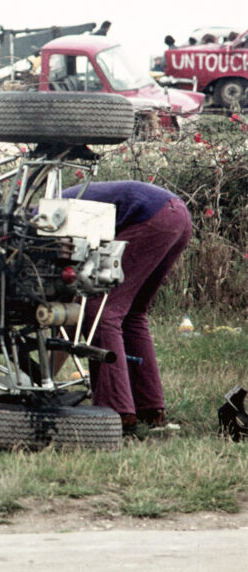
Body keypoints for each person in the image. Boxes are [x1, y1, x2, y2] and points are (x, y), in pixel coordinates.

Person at [62, 181, 192, 435]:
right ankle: (150, 409)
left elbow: (70, 298)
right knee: (132, 312)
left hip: (152, 218)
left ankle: (117, 412)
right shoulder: (59, 203)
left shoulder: (38, 220)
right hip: (178, 215)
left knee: (100, 308)